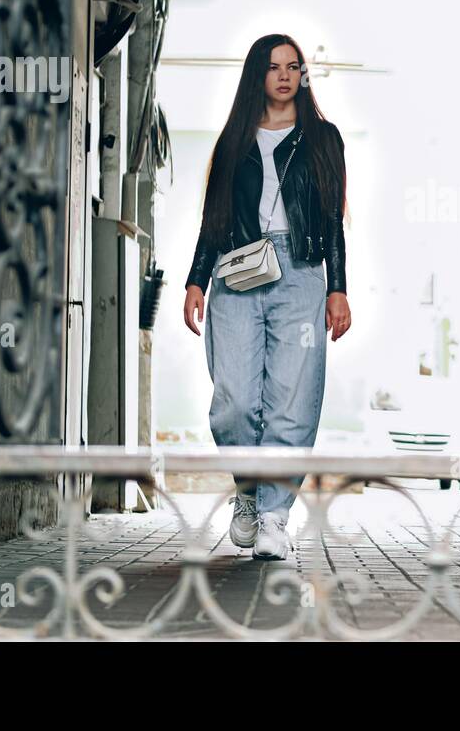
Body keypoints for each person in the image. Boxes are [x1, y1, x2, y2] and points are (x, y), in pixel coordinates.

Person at [183, 33, 351, 560]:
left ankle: (276, 517)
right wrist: (196, 278)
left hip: (301, 271)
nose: (284, 75)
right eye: (274, 66)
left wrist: (338, 288)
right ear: (258, 74)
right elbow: (213, 218)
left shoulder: (323, 138)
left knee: (293, 398)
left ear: (303, 75)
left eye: (293, 66)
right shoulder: (233, 139)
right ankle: (249, 493)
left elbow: (332, 219)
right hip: (237, 270)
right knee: (233, 399)